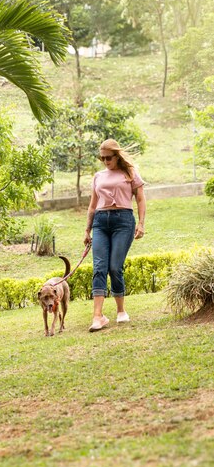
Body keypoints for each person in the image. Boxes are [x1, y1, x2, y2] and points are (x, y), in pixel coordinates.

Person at [84, 139, 146, 332]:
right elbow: (93, 206)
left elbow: (141, 198)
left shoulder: (130, 173)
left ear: (117, 156)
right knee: (99, 267)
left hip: (123, 221)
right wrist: (87, 230)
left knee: (114, 267)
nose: (104, 161)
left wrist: (142, 223)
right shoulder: (98, 176)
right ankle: (97, 317)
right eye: (101, 158)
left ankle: (121, 310)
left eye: (108, 157)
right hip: (101, 222)